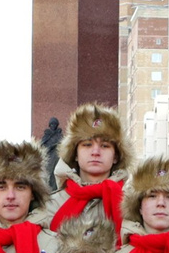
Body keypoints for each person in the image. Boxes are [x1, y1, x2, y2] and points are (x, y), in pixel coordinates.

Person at [49, 102, 127, 241]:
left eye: (104, 145)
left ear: (116, 156)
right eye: (87, 144)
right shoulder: (51, 204)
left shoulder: (131, 203)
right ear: (75, 154)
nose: (95, 152)